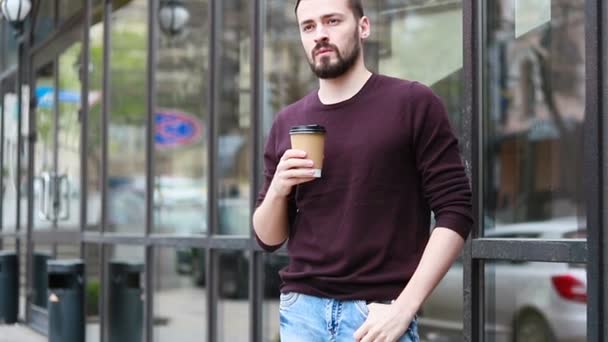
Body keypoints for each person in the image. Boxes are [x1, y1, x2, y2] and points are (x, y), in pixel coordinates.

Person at [252, 0, 473, 341]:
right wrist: (279, 189)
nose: (320, 35)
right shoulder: (287, 122)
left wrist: (404, 307)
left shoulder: (412, 103)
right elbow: (267, 238)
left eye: (332, 21)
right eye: (308, 27)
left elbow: (456, 211)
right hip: (302, 313)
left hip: (377, 315)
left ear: (363, 27)